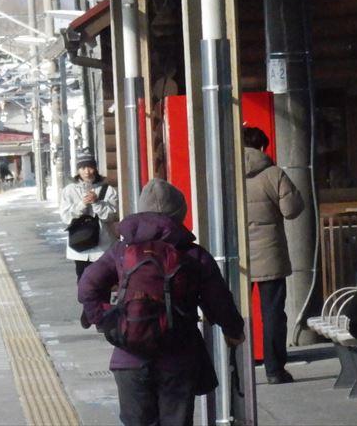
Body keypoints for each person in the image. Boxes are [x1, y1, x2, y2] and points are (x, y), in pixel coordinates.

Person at [78, 179, 245, 426]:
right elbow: (219, 301)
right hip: (178, 357)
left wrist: (107, 320)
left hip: (129, 358)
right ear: (179, 214)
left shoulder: (122, 251)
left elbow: (87, 285)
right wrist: (234, 331)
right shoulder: (193, 254)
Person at [243, 126, 304, 384]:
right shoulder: (274, 174)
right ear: (262, 147)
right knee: (272, 314)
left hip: (239, 257)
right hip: (270, 253)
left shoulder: (229, 172)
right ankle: (275, 370)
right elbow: (291, 209)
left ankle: (235, 367)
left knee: (235, 313)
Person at [59, 149, 119, 283]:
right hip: (79, 247)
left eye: (90, 167)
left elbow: (111, 215)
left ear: (95, 168)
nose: (87, 171)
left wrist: (97, 202)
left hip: (103, 247)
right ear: (78, 170)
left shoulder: (107, 189)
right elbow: (66, 217)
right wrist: (82, 204)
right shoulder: (69, 190)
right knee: (84, 285)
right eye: (83, 168)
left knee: (104, 283)